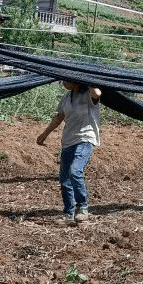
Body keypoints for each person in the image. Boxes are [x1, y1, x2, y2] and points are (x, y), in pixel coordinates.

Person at [37, 80, 102, 223]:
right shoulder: (66, 97)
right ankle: (68, 214)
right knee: (65, 179)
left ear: (77, 81)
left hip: (85, 138)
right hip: (68, 141)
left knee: (75, 171)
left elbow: (97, 93)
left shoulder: (88, 94)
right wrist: (44, 134)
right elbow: (59, 117)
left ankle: (83, 208)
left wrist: (89, 78)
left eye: (66, 80)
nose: (63, 83)